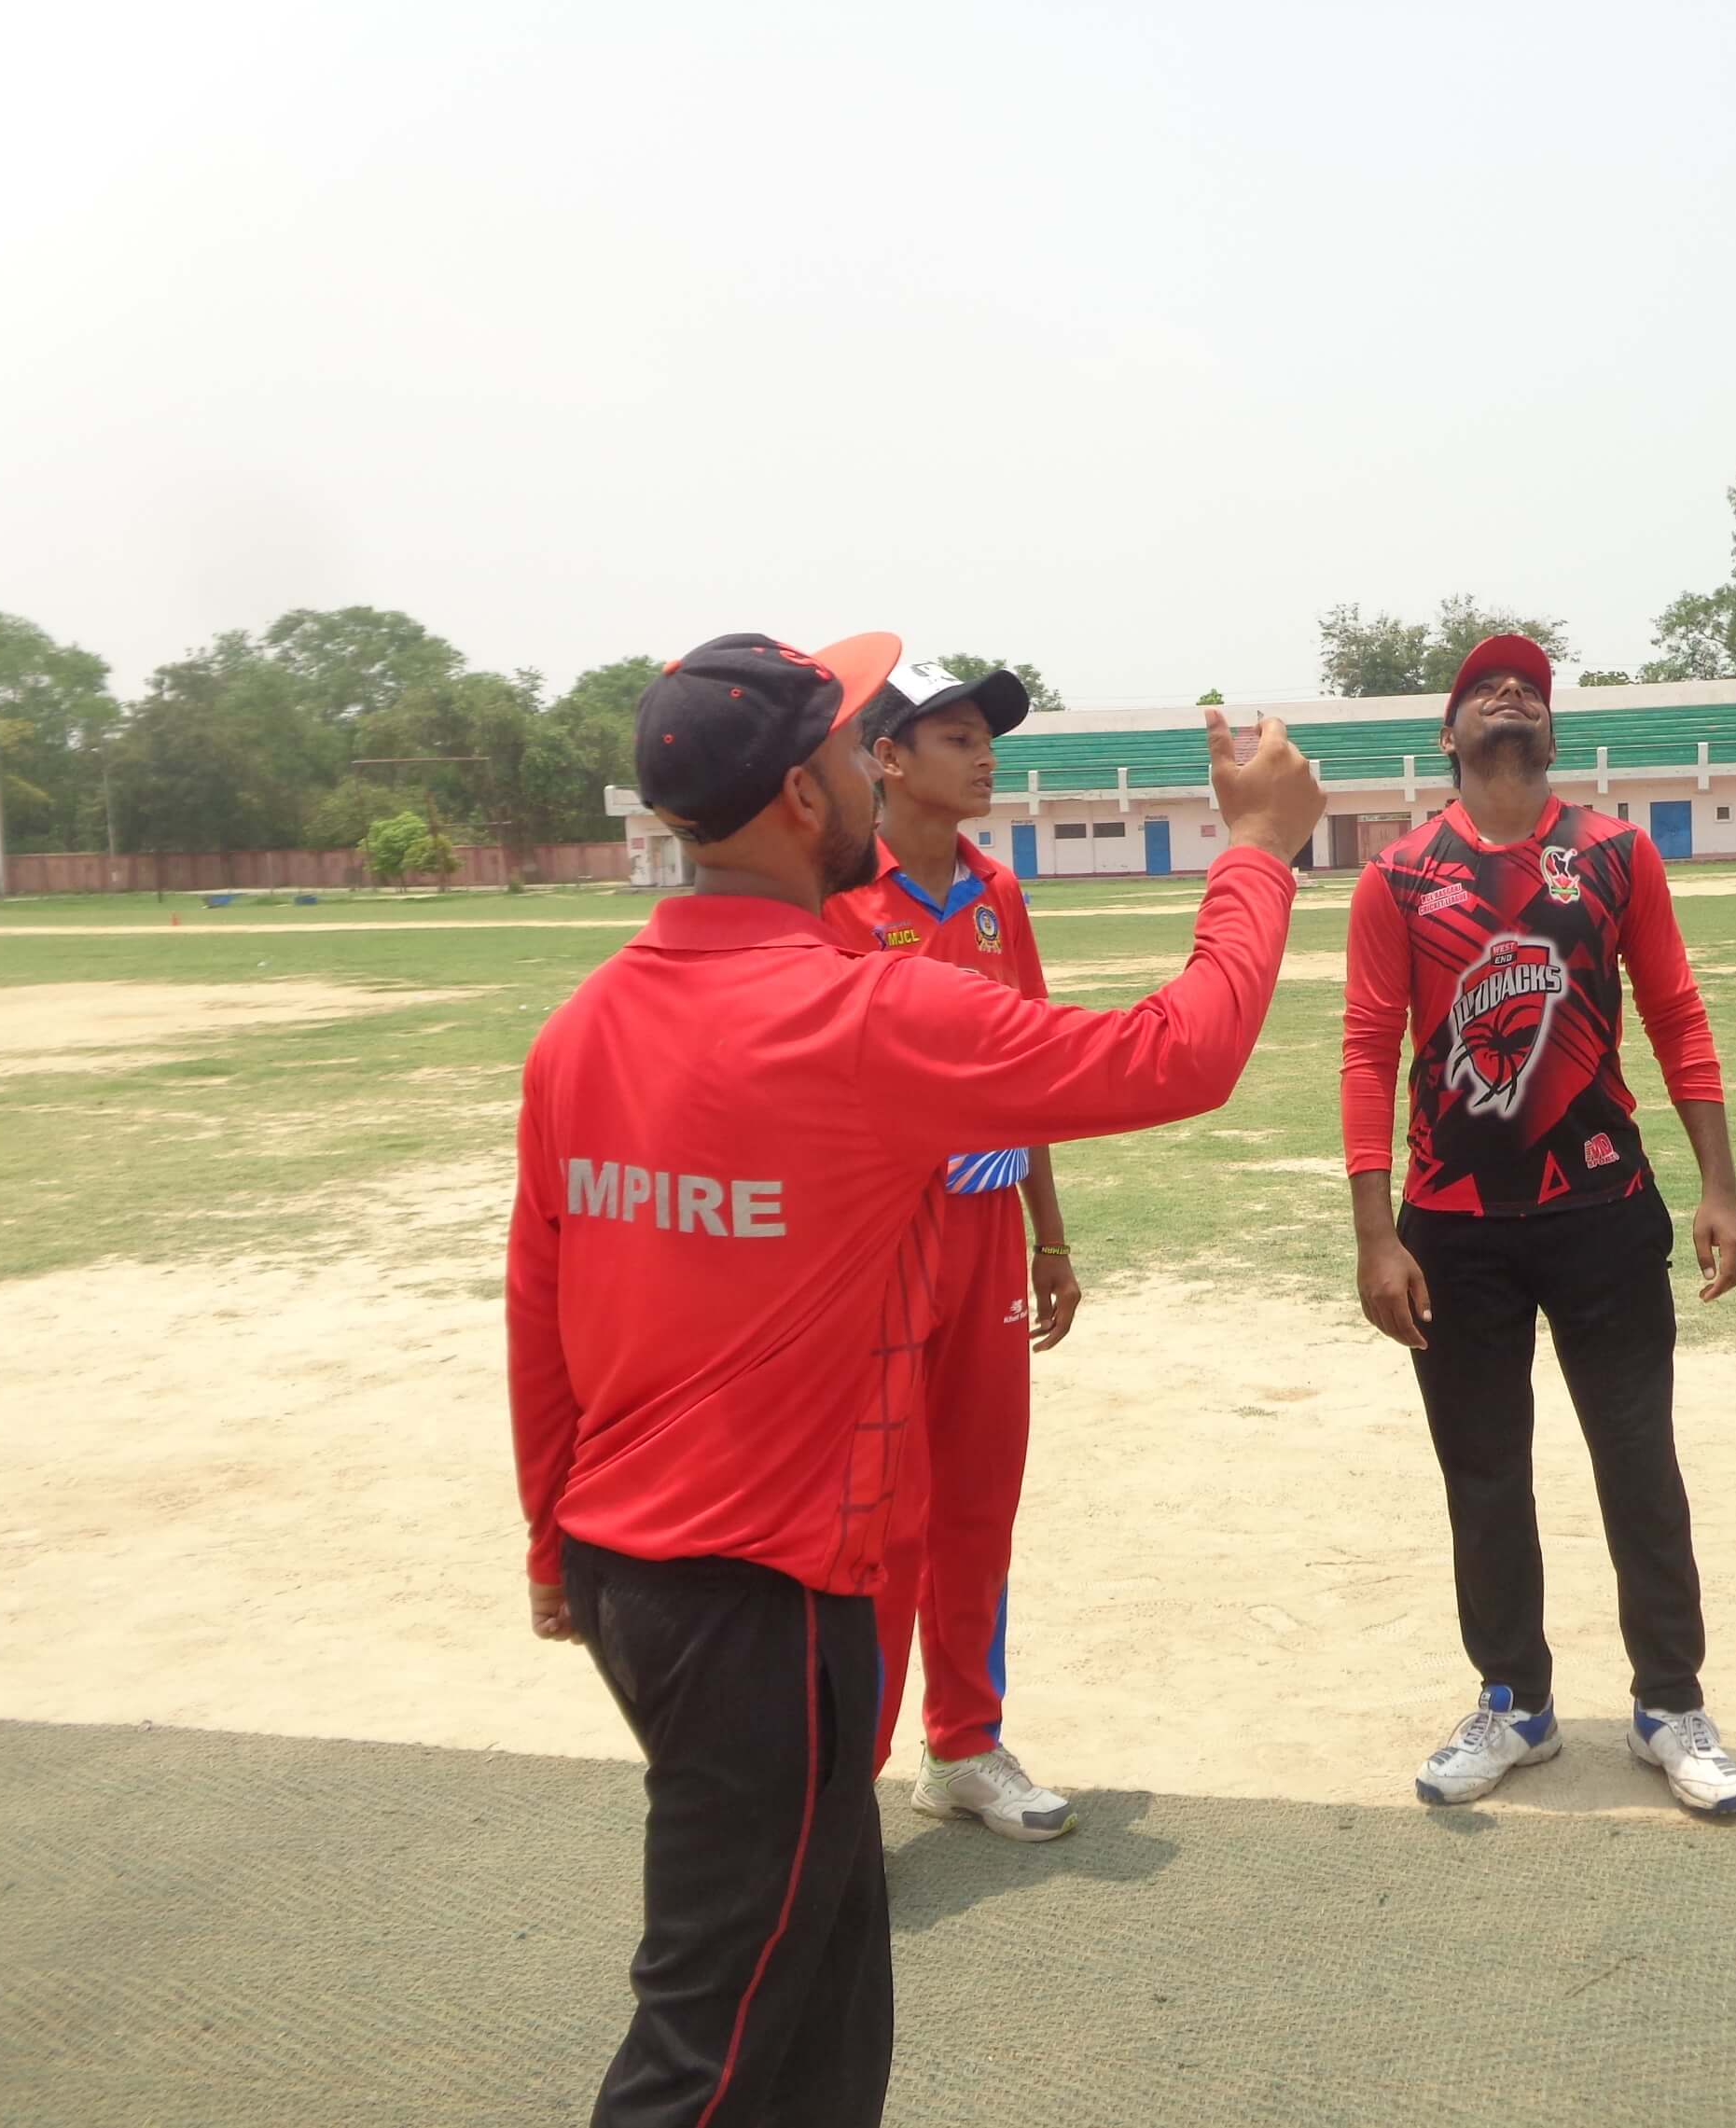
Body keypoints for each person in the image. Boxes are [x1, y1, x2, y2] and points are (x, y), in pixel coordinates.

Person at [508, 629, 1324, 2128]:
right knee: (712, 2039)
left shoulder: (584, 1027)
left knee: (822, 1987)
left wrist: (550, 1541)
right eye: (842, 736)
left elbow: (540, 1305)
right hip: (762, 1595)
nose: (864, 753)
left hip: (635, 1571)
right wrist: (1259, 849)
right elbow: (1178, 1054)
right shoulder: (856, 1014)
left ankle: (960, 1741)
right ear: (806, 798)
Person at [1340, 632, 1736, 1817]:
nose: (1507, 694)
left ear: (1550, 726)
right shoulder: (1399, 876)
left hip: (1603, 1209)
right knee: (1482, 1471)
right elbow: (1369, 1050)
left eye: (1526, 684)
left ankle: (1669, 1702)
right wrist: (1377, 1232)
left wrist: (1717, 1185)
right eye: (1482, 688)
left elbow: (1676, 1014)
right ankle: (1512, 1700)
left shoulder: (1615, 854)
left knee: (1638, 1463)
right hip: (1453, 1222)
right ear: (1449, 732)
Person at [817, 656, 1081, 1840]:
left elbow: (1024, 1078)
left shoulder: (995, 896)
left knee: (979, 1496)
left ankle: (963, 1744)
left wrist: (1049, 1237)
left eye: (988, 736)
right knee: (881, 1515)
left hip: (982, 1239)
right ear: (884, 756)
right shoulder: (833, 899)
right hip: (871, 1249)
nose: (984, 756)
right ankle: (845, 1783)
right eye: (956, 735)